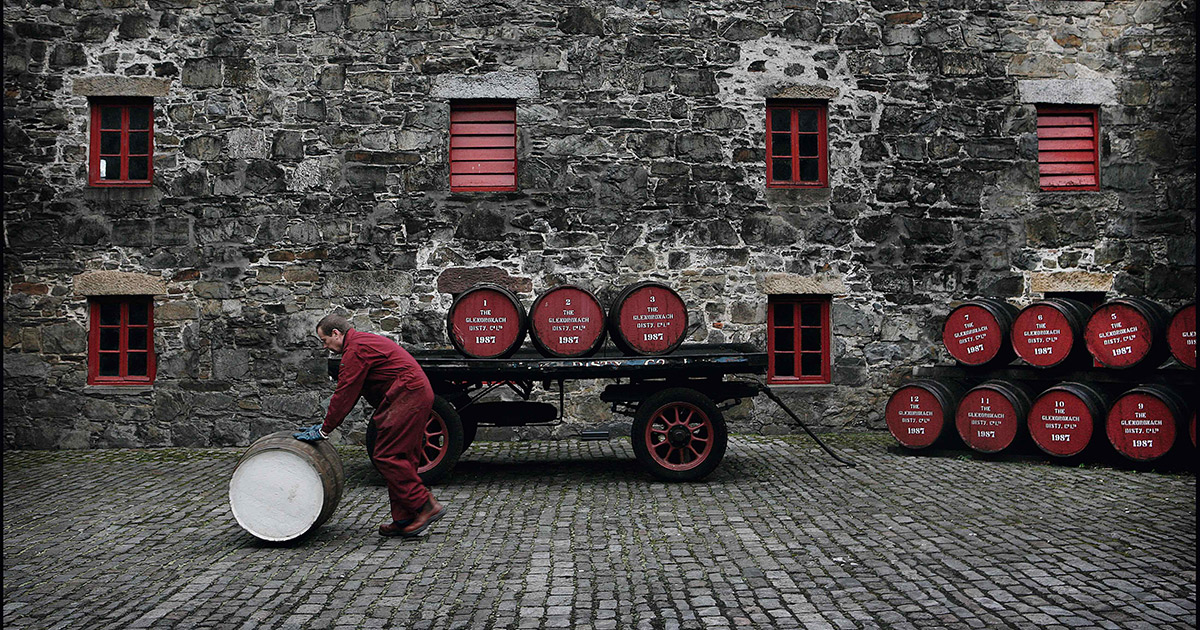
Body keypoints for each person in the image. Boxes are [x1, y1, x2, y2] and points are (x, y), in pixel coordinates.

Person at [294, 313, 446, 537]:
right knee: (402, 457)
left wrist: (324, 429)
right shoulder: (360, 343)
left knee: (387, 455)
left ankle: (426, 505)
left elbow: (345, 393)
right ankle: (404, 518)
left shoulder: (355, 351)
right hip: (411, 394)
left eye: (324, 340)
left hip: (408, 395)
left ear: (336, 334)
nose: (325, 346)